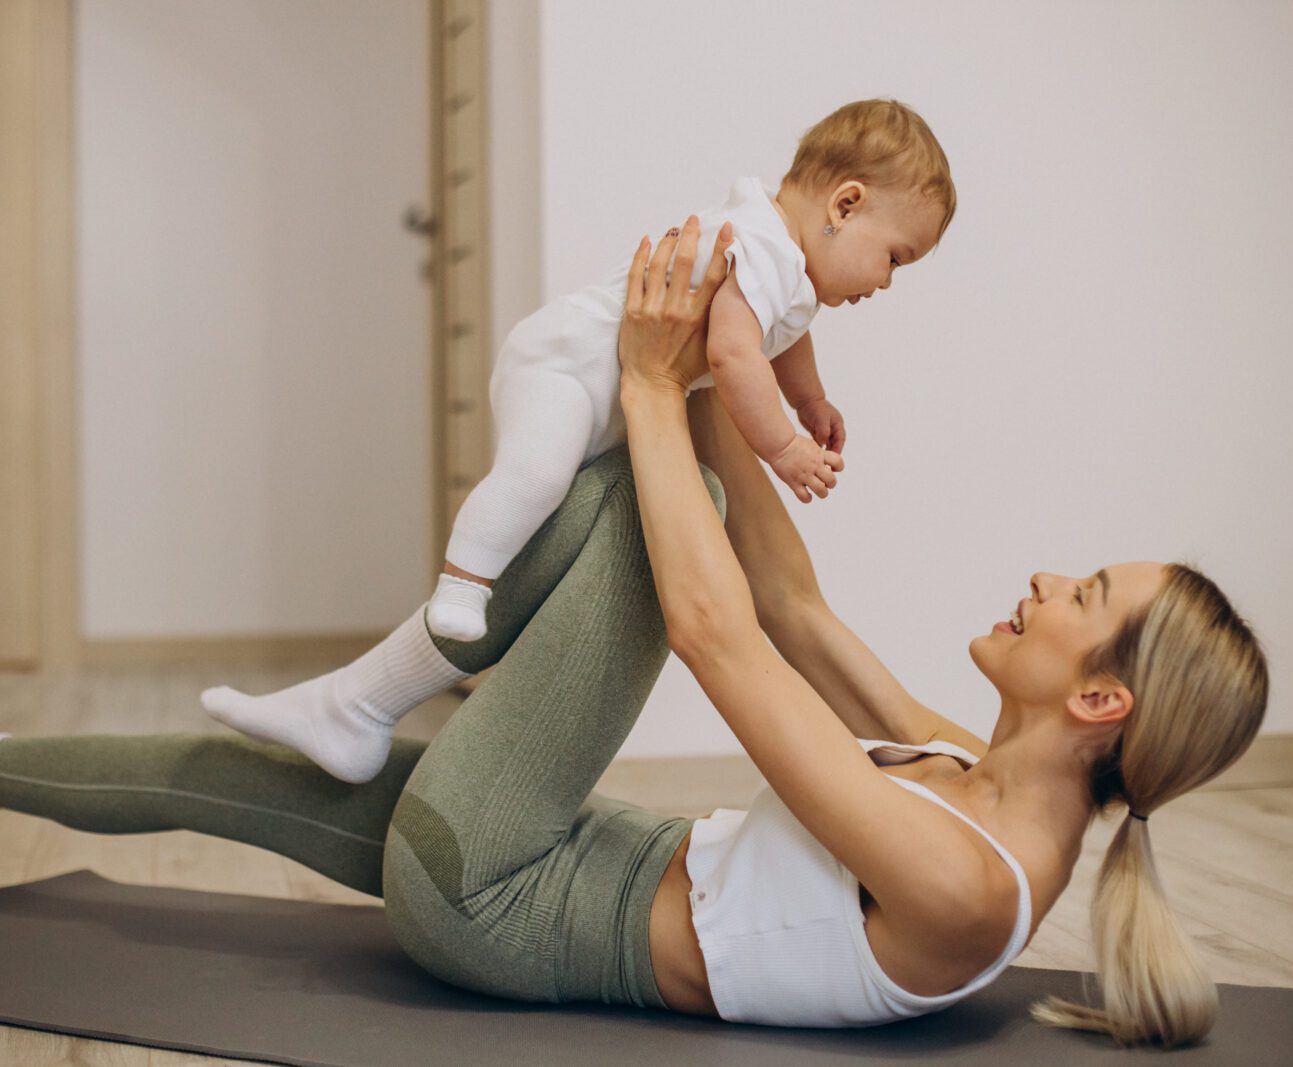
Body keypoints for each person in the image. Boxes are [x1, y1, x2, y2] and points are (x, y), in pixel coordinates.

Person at [0, 220, 1266, 1047]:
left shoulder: (960, 875)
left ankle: (380, 681)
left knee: (628, 493)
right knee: (204, 769)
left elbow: (717, 631)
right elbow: (795, 607)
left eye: (1084, 596)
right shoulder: (968, 771)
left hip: (509, 895)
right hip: (562, 841)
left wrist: (649, 384)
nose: (1048, 577)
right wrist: (729, 392)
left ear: (1100, 701)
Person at [202, 99, 954, 783]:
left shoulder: (789, 275)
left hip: (614, 401)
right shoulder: (758, 243)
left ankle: (356, 707)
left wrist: (811, 398)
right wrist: (785, 446)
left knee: (555, 527)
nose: (889, 281)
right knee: (532, 480)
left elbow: (780, 340)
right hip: (561, 367)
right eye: (897, 256)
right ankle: (457, 587)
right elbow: (732, 355)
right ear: (846, 204)